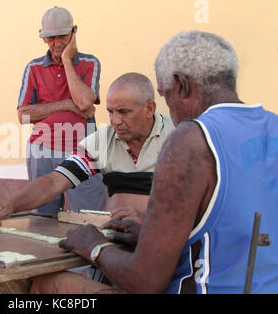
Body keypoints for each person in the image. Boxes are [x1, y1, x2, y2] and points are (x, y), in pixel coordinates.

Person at [30, 30, 278, 294]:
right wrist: (148, 234)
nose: (168, 108)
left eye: (166, 95)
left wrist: (94, 246)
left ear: (181, 84)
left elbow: (145, 281)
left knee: (50, 284)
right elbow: (230, 228)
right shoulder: (272, 125)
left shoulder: (191, 139)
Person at [0, 73, 174, 224]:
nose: (115, 121)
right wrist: (10, 204)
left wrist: (147, 218)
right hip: (119, 241)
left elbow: (198, 200)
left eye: (123, 112)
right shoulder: (101, 142)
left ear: (149, 109)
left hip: (166, 240)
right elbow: (54, 181)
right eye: (110, 112)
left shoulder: (178, 138)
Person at [17, 6, 106, 215]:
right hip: (41, 150)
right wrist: (66, 105)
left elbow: (84, 103)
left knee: (90, 217)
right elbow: (23, 116)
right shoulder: (33, 68)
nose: (56, 43)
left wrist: (67, 60)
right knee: (42, 218)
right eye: (50, 38)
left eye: (62, 36)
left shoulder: (89, 63)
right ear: (42, 37)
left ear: (74, 32)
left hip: (83, 149)